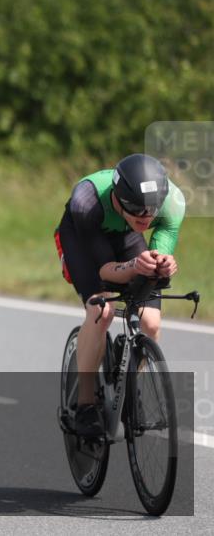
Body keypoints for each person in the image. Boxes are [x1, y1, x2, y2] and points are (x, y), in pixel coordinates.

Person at [54, 153, 185, 436]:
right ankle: (85, 404)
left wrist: (163, 263)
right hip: (83, 236)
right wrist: (134, 266)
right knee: (101, 311)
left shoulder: (172, 202)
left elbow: (159, 248)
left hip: (125, 235)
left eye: (152, 210)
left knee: (150, 322)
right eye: (138, 209)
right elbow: (104, 271)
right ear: (118, 198)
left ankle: (130, 387)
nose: (146, 217)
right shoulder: (85, 201)